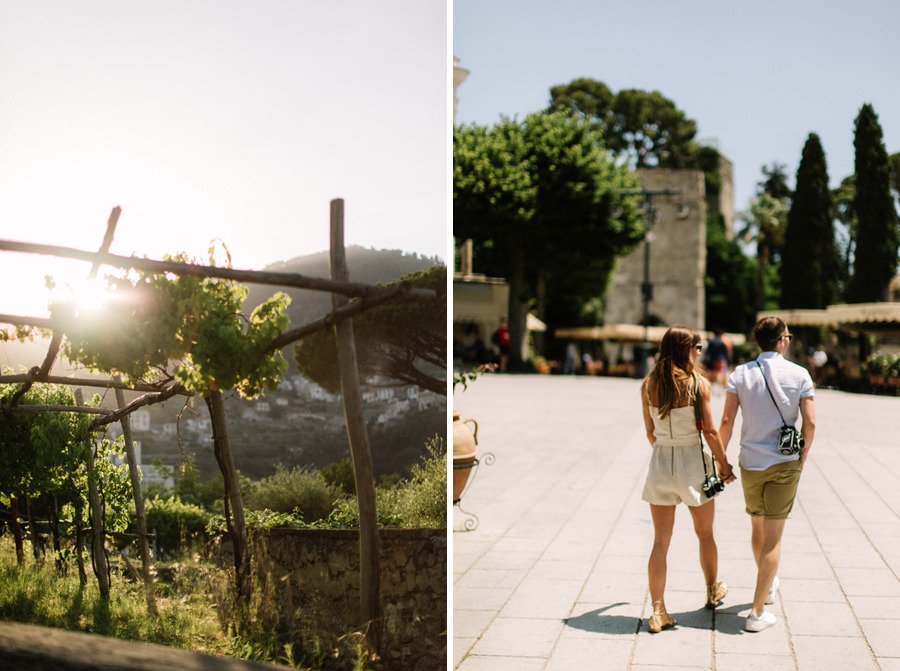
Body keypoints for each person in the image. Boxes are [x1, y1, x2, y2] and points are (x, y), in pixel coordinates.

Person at [718, 317, 816, 633]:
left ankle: (767, 583)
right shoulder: (800, 374)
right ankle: (757, 612)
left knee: (757, 525)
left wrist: (721, 461)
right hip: (784, 462)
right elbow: (810, 423)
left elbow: (727, 421)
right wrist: (803, 455)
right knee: (774, 538)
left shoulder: (740, 374)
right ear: (782, 340)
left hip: (750, 462)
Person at [640, 326, 736, 633]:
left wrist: (665, 453)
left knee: (660, 541)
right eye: (696, 348)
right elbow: (709, 430)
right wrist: (723, 464)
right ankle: (711, 589)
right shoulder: (698, 384)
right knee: (705, 533)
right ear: (686, 350)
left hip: (660, 463)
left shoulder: (649, 384)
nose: (699, 353)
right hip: (694, 464)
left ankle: (658, 611)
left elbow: (650, 433)